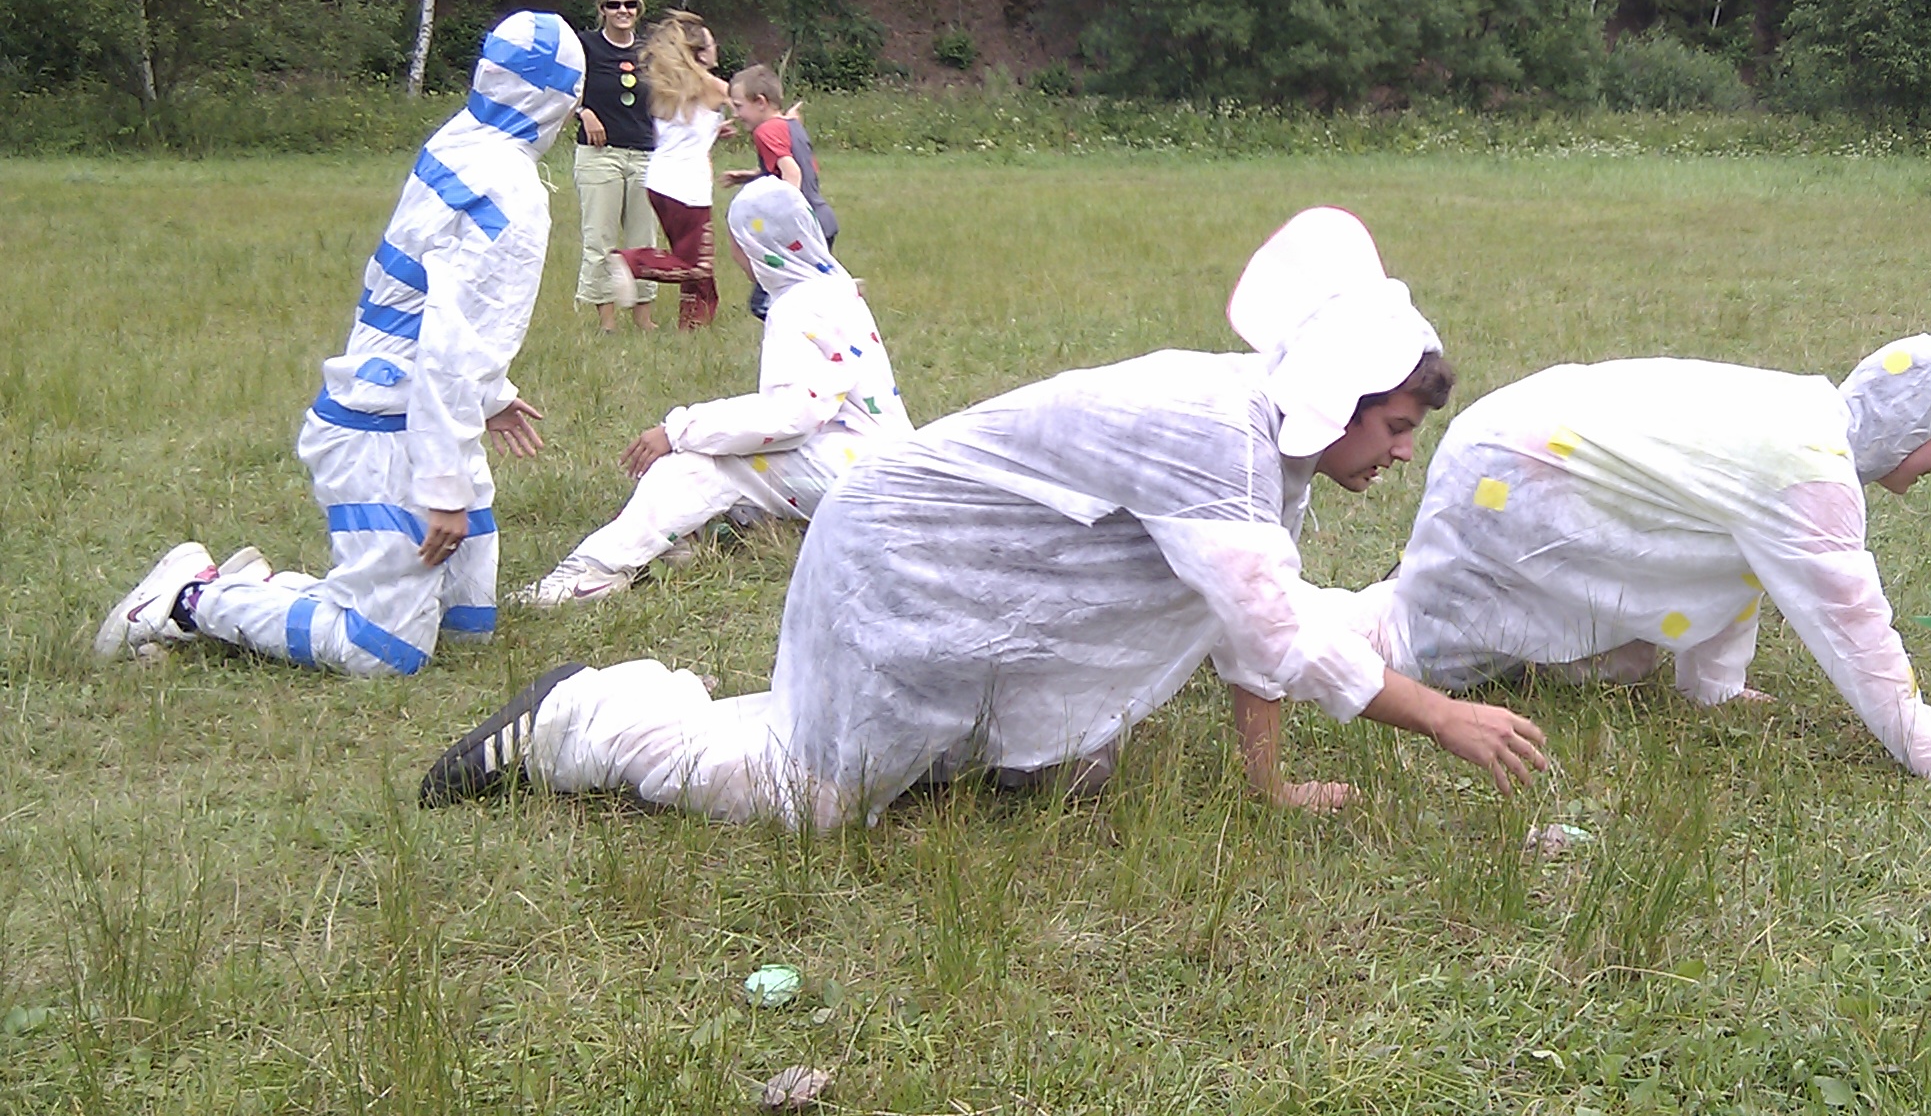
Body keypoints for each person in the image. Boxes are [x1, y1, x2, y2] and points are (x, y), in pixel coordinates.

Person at [421, 208, 1553, 825]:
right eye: (1396, 425)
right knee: (809, 797)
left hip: (971, 576)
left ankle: (999, 755)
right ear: (1338, 398)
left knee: (1057, 765)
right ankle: (583, 716)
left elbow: (1249, 621)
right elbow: (1277, 631)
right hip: (904, 563)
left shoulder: (1269, 447)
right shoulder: (1220, 432)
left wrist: (1268, 785)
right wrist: (1440, 714)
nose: (1402, 453)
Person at [96, 12, 582, 673]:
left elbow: (430, 299)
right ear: (560, 104)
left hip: (403, 406)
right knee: (382, 651)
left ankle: (264, 590)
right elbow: (452, 341)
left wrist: (489, 398)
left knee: (467, 624)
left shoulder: (463, 140)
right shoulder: (514, 191)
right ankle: (189, 600)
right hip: (387, 429)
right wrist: (444, 485)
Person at [1313, 337, 1931, 793]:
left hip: (1515, 447)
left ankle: (1294, 621)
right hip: (1517, 471)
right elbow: (1854, 626)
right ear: (1905, 427)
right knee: (1421, 649)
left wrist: (1716, 685)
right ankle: (1278, 631)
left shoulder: (1809, 423)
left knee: (1611, 656)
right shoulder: (1813, 468)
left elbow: (1728, 557)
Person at [513, 178, 912, 606]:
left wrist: (680, 430)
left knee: (701, 463)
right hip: (888, 468)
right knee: (728, 454)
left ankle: (595, 570)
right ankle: (684, 536)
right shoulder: (833, 287)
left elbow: (789, 418)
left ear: (754, 246)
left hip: (858, 477)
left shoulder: (796, 307)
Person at [607, 13, 729, 329]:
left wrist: (715, 130)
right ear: (699, 53)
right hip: (688, 187)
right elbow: (748, 103)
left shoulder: (666, 89)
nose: (716, 48)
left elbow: (682, 131)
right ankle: (633, 261)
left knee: (690, 257)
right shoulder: (713, 87)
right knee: (696, 265)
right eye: (711, 43)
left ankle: (693, 326)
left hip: (659, 182)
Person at [573, 0, 661, 332]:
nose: (622, 11)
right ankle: (607, 322)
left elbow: (668, 96)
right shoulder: (585, 46)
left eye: (629, 4)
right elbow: (562, 89)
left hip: (644, 153)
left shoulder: (649, 51)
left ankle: (644, 318)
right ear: (602, 9)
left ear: (638, 8)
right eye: (614, 5)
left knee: (644, 241)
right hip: (600, 154)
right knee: (600, 239)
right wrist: (583, 112)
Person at [723, 64, 836, 321]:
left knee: (768, 303)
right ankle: (832, 311)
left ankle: (834, 313)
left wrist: (787, 219)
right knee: (807, 291)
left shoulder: (765, 131)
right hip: (822, 219)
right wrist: (752, 176)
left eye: (739, 106)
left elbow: (792, 173)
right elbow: (800, 167)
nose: (736, 115)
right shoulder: (790, 125)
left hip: (803, 227)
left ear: (761, 102)